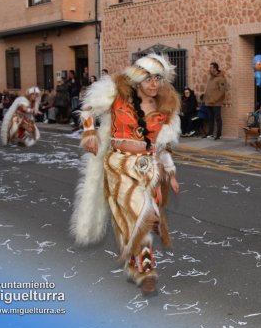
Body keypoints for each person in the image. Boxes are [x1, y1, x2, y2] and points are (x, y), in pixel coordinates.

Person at [70, 53, 181, 296]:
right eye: (149, 78)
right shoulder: (117, 98)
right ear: (137, 79)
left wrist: (170, 172)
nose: (154, 84)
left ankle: (134, 266)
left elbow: (162, 145)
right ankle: (147, 271)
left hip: (149, 169)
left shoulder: (165, 108)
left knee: (137, 219)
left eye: (158, 79)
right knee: (141, 216)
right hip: (119, 166)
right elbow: (87, 109)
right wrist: (89, 133)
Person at [203, 62, 226, 140]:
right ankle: (210, 133)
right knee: (210, 118)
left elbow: (222, 91)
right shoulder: (211, 78)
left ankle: (219, 135)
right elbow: (209, 90)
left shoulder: (221, 78)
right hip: (209, 102)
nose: (210, 69)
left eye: (211, 67)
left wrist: (214, 99)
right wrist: (205, 99)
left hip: (216, 103)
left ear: (215, 68)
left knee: (218, 118)